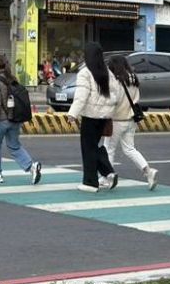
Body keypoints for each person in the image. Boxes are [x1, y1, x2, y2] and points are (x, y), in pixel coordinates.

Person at [67, 41, 119, 192]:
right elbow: (116, 95)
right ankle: (107, 172)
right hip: (104, 117)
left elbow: (81, 97)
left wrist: (72, 114)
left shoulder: (85, 72)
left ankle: (90, 182)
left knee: (88, 149)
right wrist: (108, 110)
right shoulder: (108, 72)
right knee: (93, 147)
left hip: (90, 116)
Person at [0, 51, 41, 185]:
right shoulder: (13, 79)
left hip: (1, 120)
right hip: (15, 119)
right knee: (14, 146)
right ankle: (31, 166)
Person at [106, 53, 158, 190]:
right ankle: (148, 171)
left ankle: (109, 176)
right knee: (130, 149)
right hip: (131, 119)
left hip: (117, 119)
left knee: (109, 149)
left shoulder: (115, 81)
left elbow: (113, 101)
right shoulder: (133, 78)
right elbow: (136, 99)